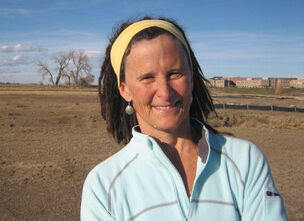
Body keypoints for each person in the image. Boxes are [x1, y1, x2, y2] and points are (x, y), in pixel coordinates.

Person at [80, 16, 288, 220]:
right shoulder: (104, 186)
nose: (165, 92)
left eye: (175, 74)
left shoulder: (245, 160)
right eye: (147, 78)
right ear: (125, 90)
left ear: (191, 78)